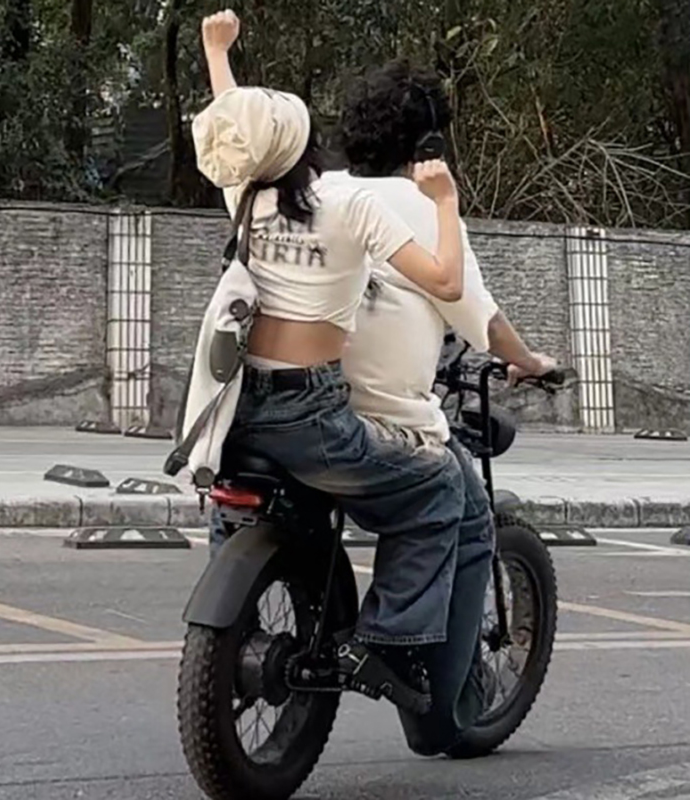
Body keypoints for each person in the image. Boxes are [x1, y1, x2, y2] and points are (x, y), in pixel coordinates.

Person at [194, 9, 471, 714]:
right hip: (311, 416)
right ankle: (386, 641)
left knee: (240, 503)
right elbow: (446, 283)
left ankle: (238, 627)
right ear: (309, 142)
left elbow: (237, 130)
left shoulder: (245, 197)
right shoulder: (349, 204)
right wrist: (444, 201)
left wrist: (216, 52)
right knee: (439, 485)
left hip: (234, 409)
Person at [322, 60, 557, 754]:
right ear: (428, 147)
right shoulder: (423, 210)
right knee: (468, 513)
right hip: (383, 422)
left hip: (298, 408)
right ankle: (433, 705)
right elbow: (481, 318)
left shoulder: (318, 190)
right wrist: (529, 361)